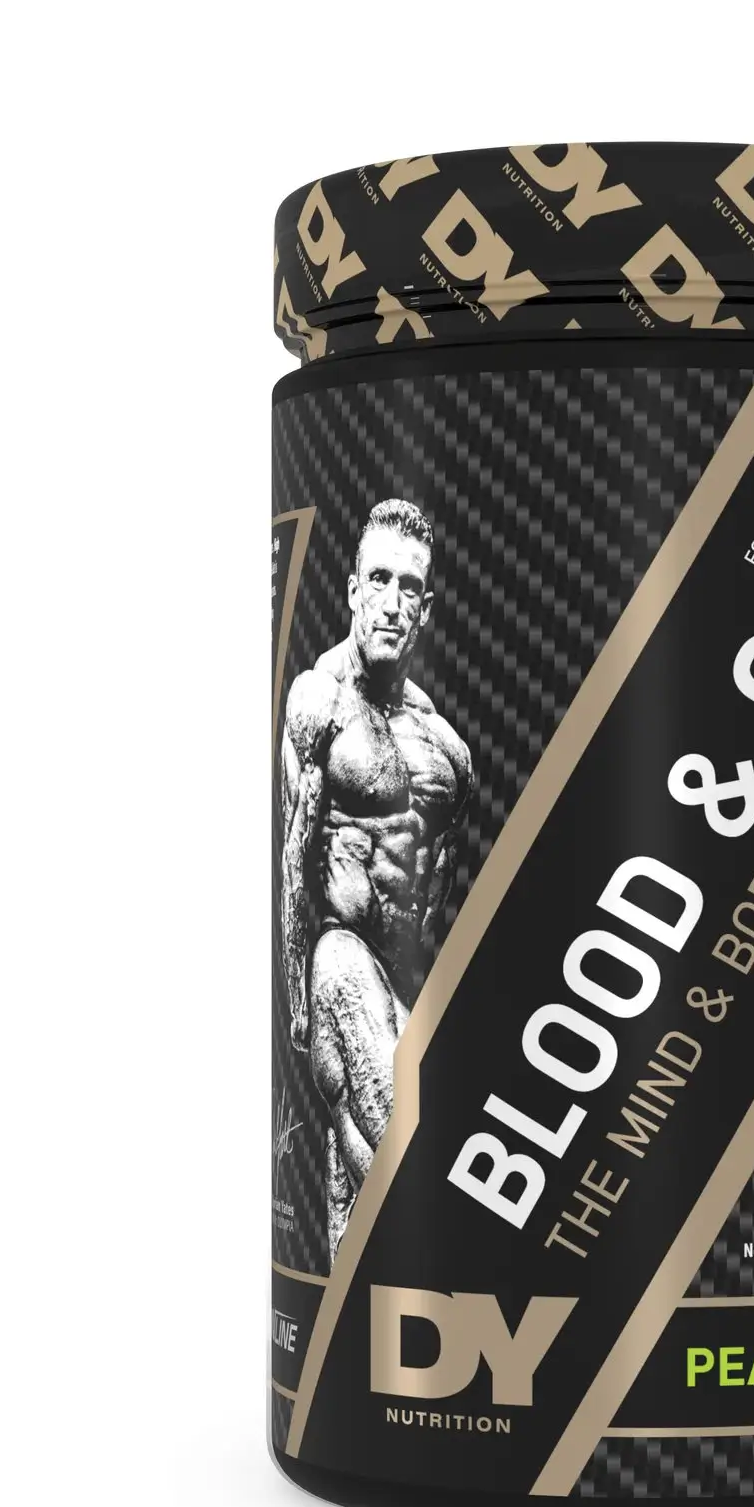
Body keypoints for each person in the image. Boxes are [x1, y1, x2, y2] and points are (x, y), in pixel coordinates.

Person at [279, 499, 474, 1251]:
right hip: (340, 957)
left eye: (410, 587)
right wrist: (298, 1007)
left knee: (359, 1192)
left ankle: (350, 1314)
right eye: (380, 580)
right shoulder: (319, 703)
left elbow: (440, 889)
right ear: (354, 590)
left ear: (426, 608)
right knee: (404, 1149)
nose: (393, 602)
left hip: (406, 983)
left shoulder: (446, 748)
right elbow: (294, 857)